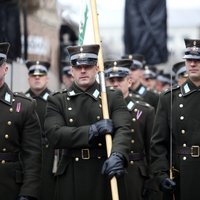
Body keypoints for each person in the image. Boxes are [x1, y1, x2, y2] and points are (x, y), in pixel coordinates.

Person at [44, 44, 131, 200]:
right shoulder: (58, 100)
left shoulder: (111, 97)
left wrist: (118, 154)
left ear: (97, 68)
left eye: (88, 66)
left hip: (104, 170)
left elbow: (123, 129)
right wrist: (92, 130)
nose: (83, 70)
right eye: (78, 67)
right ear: (71, 70)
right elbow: (53, 134)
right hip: (71, 174)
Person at [104, 59, 162, 200]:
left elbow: (152, 150)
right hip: (105, 171)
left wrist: (151, 181)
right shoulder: (101, 111)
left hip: (134, 173)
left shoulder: (145, 111)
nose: (115, 83)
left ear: (129, 82)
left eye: (120, 79)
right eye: (111, 80)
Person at [150, 38, 200, 200]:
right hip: (183, 174)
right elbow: (158, 143)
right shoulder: (170, 97)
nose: (192, 64)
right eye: (189, 60)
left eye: (197, 60)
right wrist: (161, 174)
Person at [0, 43, 41, 199]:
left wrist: (28, 193)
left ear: (5, 68)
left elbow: (32, 156)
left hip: (9, 186)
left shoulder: (23, 106)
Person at [25, 60, 55, 200]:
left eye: (41, 75)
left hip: (49, 156)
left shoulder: (55, 100)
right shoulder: (21, 101)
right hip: (26, 157)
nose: (37, 78)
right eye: (33, 75)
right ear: (28, 78)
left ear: (47, 78)